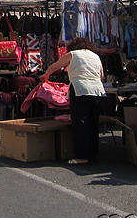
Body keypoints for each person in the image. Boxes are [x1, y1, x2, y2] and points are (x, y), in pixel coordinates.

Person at [40, 37, 105, 165]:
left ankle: (81, 156)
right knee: (93, 123)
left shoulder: (73, 54)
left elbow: (55, 66)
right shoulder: (95, 56)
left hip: (80, 88)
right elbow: (101, 75)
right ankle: (92, 154)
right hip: (98, 90)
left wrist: (45, 75)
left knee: (81, 123)